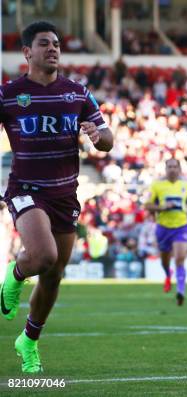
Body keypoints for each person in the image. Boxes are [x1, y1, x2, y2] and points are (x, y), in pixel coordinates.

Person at [0, 21, 113, 373]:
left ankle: (29, 340)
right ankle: (15, 274)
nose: (53, 49)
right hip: (26, 189)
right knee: (44, 255)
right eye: (45, 43)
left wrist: (99, 136)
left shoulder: (77, 93)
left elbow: (108, 138)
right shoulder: (8, 94)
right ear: (27, 52)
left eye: (57, 44)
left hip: (66, 194)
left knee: (54, 275)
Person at [145, 158, 187, 306]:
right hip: (163, 227)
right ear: (165, 169)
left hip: (181, 226)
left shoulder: (186, 185)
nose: (172, 169)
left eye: (175, 167)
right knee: (165, 261)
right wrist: (162, 207)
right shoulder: (157, 185)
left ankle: (181, 291)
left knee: (180, 259)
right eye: (170, 167)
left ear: (179, 169)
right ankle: (168, 274)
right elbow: (147, 205)